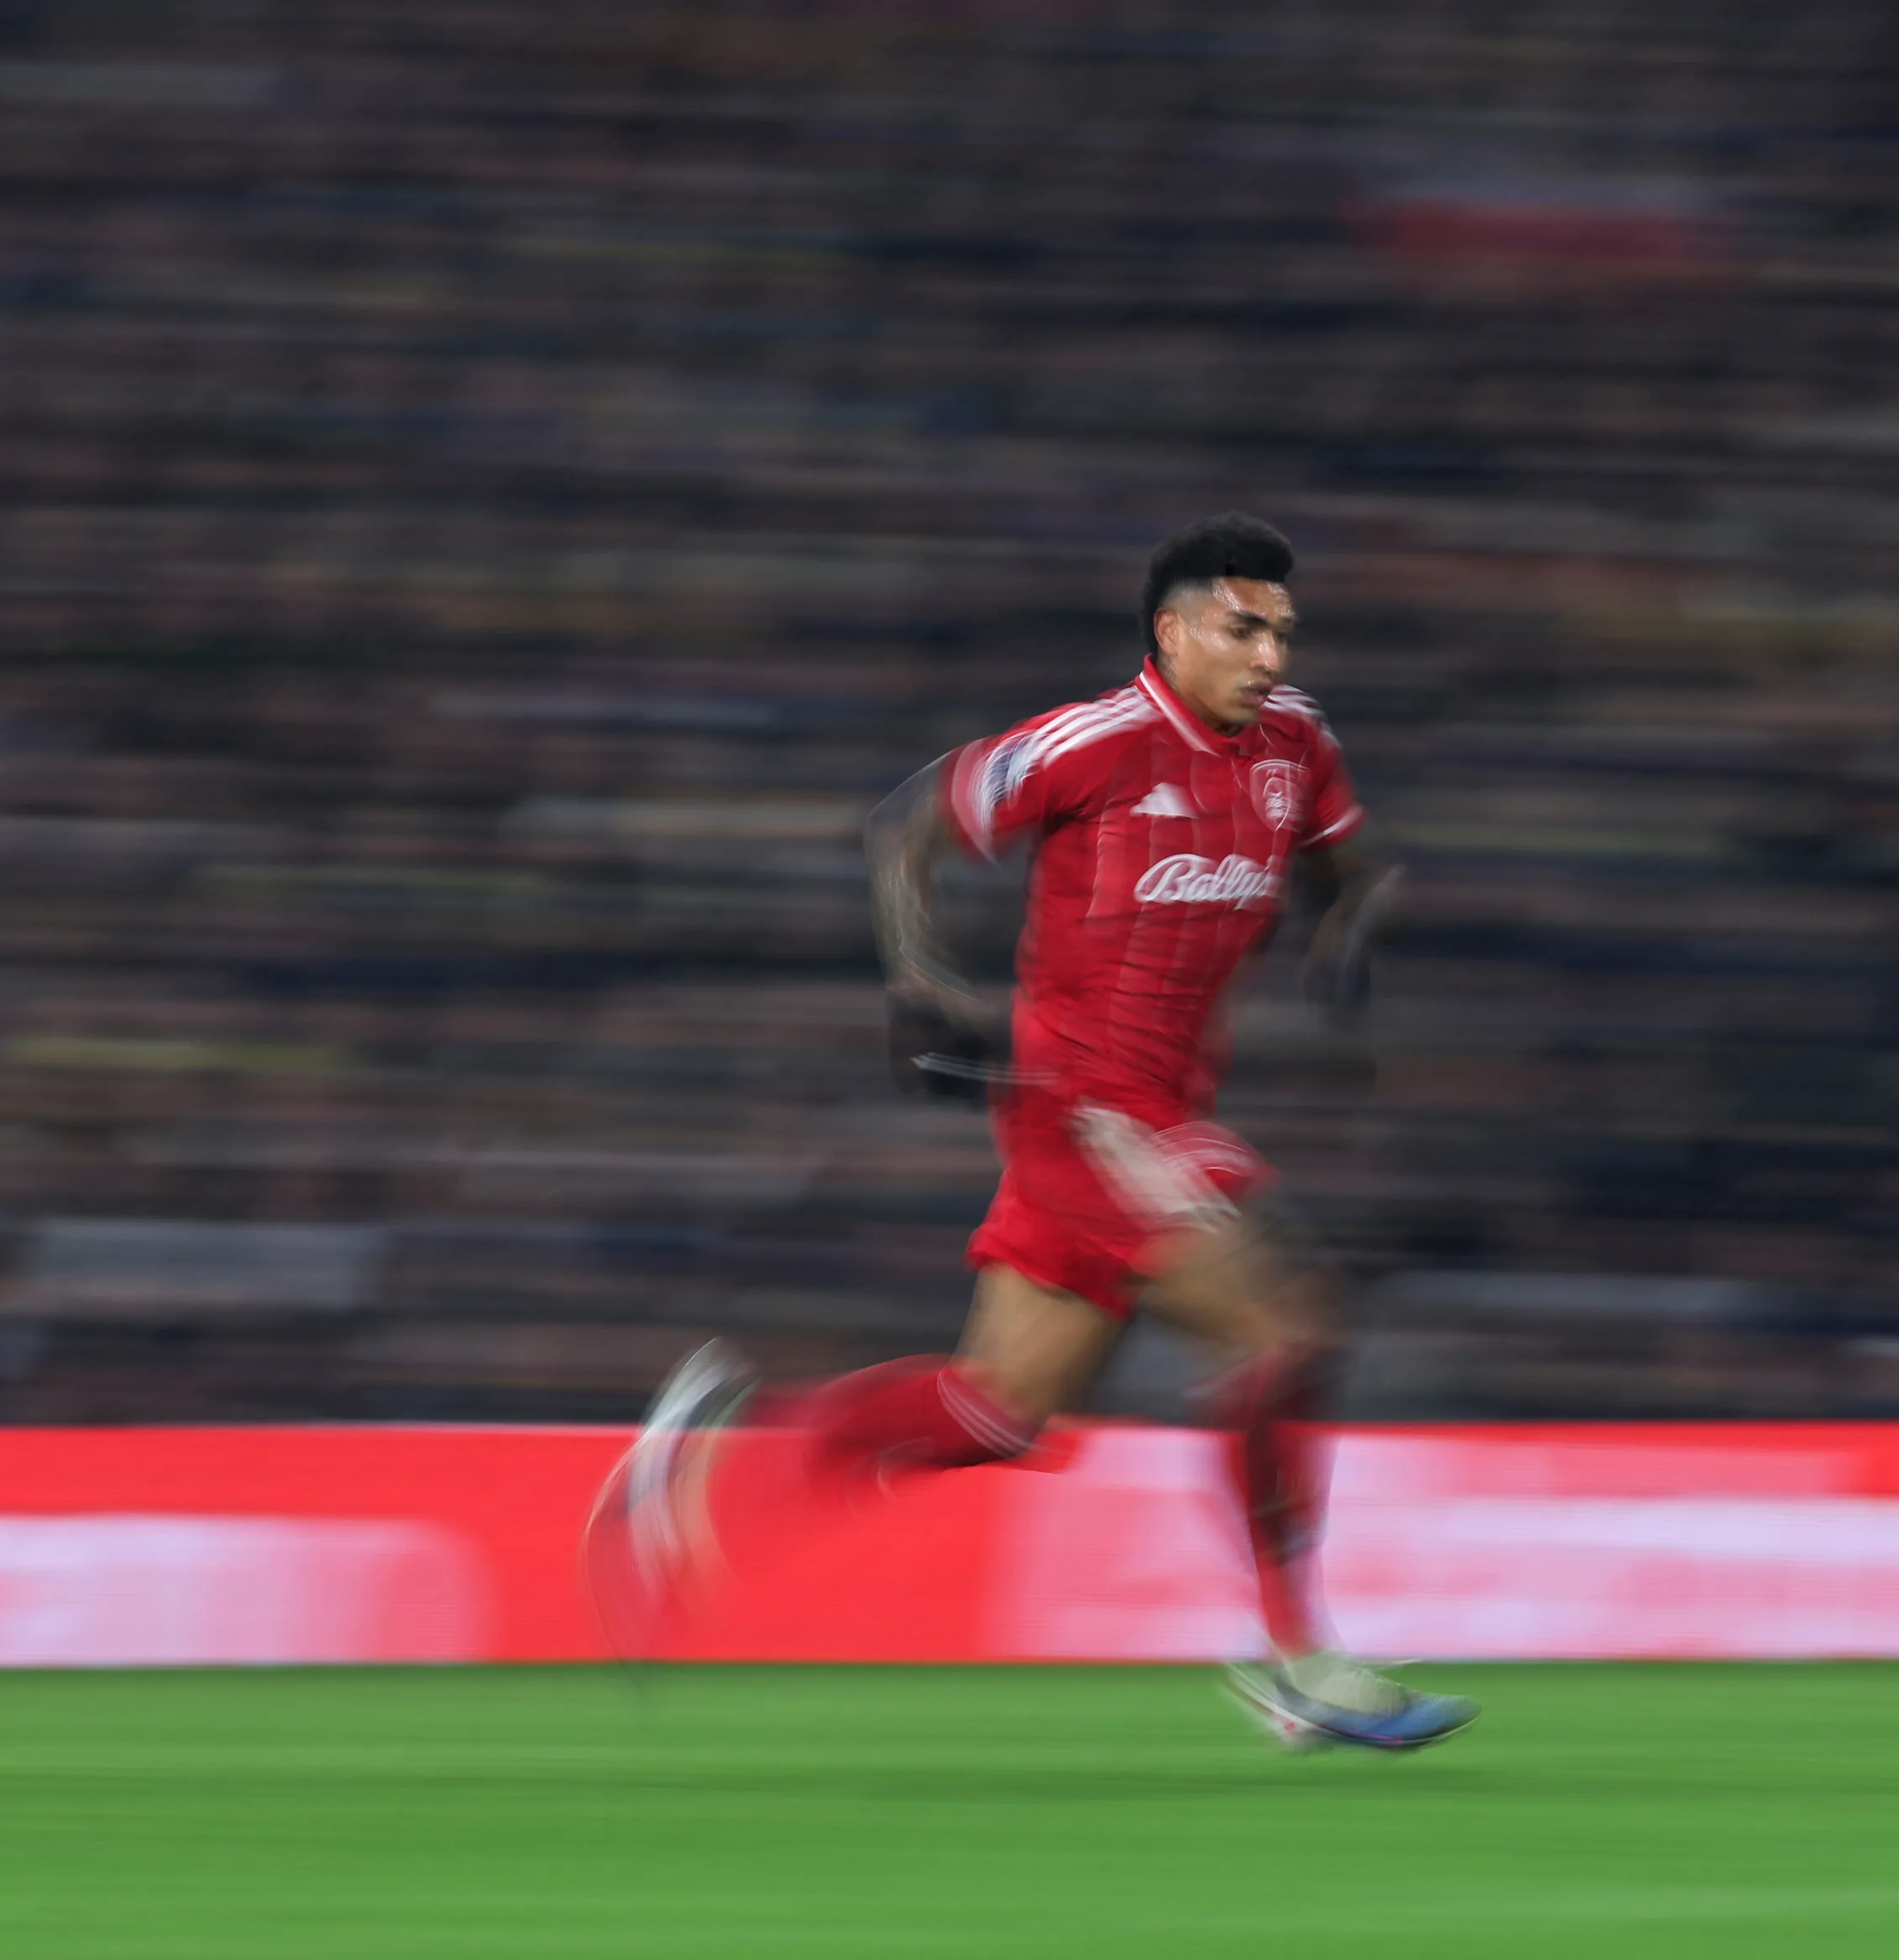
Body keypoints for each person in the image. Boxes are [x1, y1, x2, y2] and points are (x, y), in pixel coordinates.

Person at [585, 513, 1475, 1753]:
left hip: (1168, 1106)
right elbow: (903, 823)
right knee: (1289, 1324)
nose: (1269, 654)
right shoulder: (1093, 744)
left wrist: (1349, 926)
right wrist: (915, 986)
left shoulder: (1295, 745)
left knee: (998, 1414)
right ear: (1171, 633)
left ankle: (723, 1435)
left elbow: (1342, 853)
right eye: (1241, 627)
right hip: (1086, 1108)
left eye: (1281, 629)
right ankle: (1297, 1664)